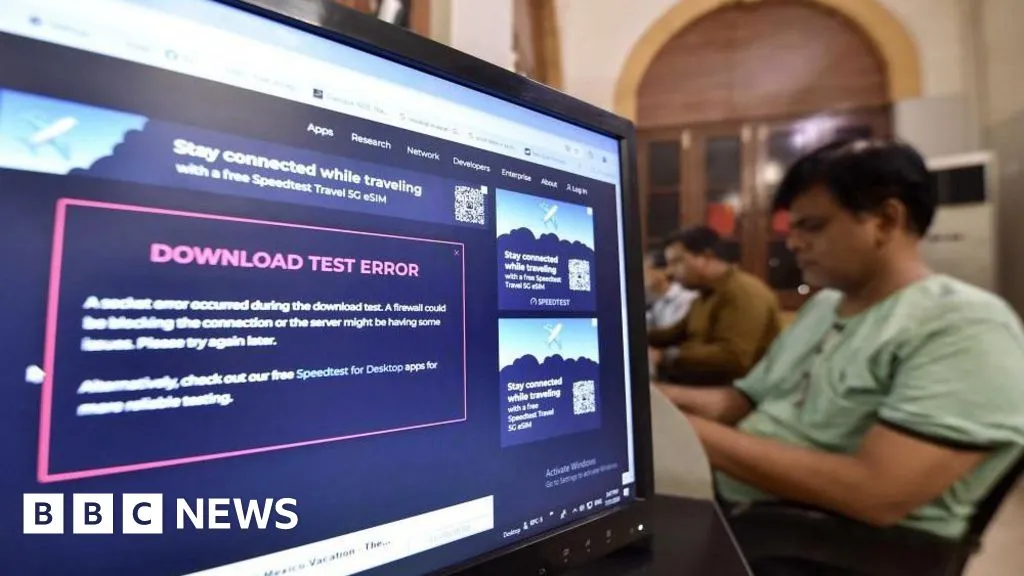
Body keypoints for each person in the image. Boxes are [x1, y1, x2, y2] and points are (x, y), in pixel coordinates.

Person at [668, 139, 1024, 551]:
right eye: (793, 227)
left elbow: (876, 493)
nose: (793, 243)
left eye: (812, 226)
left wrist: (687, 432)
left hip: (833, 543)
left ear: (886, 221)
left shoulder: (965, 326)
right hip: (748, 504)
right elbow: (740, 401)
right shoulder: (825, 306)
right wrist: (648, 399)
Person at [648, 226, 781, 386]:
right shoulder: (704, 295)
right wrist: (631, 335)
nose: (668, 272)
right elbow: (674, 334)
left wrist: (666, 356)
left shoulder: (742, 292)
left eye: (677, 262)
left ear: (706, 257)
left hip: (734, 393)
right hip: (701, 384)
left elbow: (733, 357)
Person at [644, 248, 697, 331]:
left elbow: (676, 332)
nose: (643, 276)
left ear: (662, 271)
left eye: (646, 270)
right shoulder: (659, 302)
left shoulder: (686, 298)